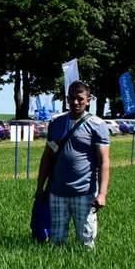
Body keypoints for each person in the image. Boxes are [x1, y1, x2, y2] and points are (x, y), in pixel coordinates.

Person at [35, 80, 110, 247]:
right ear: (67, 99)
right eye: (72, 98)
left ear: (88, 100)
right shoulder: (56, 123)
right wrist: (40, 187)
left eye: (80, 98)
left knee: (86, 241)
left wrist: (102, 194)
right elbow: (47, 156)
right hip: (57, 191)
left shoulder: (97, 125)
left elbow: (104, 161)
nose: (76, 102)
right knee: (56, 241)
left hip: (84, 192)